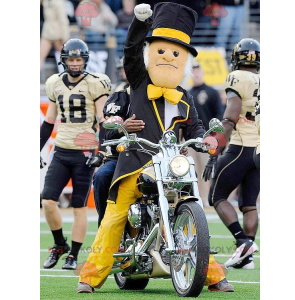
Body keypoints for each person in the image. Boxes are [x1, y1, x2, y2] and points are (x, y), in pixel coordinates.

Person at [77, 3, 233, 293]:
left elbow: (195, 126)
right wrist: (139, 23)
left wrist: (206, 138)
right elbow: (131, 51)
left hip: (173, 164)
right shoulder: (138, 81)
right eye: (162, 50)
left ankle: (212, 274)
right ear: (151, 53)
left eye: (176, 53)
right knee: (114, 217)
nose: (169, 57)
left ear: (183, 58)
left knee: (194, 212)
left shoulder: (184, 97)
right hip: (135, 162)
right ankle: (89, 277)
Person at [40, 39, 111, 270]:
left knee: (78, 206)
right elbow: (49, 121)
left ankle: (74, 255)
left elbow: (103, 121)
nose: (75, 63)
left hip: (85, 152)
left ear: (85, 60)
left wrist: (101, 150)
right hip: (61, 150)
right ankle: (60, 244)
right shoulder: (54, 83)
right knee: (48, 201)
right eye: (71, 59)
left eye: (79, 59)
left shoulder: (95, 83)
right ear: (64, 60)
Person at [202, 38, 260, 269]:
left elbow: (231, 116)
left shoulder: (238, 77)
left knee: (216, 196)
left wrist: (216, 148)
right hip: (261, 147)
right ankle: (247, 257)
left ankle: (242, 241)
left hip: (241, 145)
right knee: (249, 203)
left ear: (237, 58)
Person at [90, 87, 145, 227]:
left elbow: (185, 125)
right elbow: (107, 133)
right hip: (121, 157)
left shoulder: (167, 96)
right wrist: (121, 128)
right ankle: (104, 225)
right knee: (102, 175)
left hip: (154, 156)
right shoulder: (119, 98)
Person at [188, 61, 224, 205]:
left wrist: (215, 137)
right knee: (190, 171)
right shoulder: (187, 93)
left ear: (202, 72)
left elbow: (219, 115)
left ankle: (207, 199)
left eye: (197, 70)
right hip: (190, 140)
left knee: (206, 171)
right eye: (193, 71)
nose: (196, 73)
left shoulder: (212, 92)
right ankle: (195, 199)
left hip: (207, 138)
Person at [40, 0, 70, 71]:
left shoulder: (59, 2)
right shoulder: (46, 2)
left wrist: (65, 36)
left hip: (58, 33)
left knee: (64, 58)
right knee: (40, 55)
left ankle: (71, 77)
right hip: (47, 32)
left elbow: (63, 19)